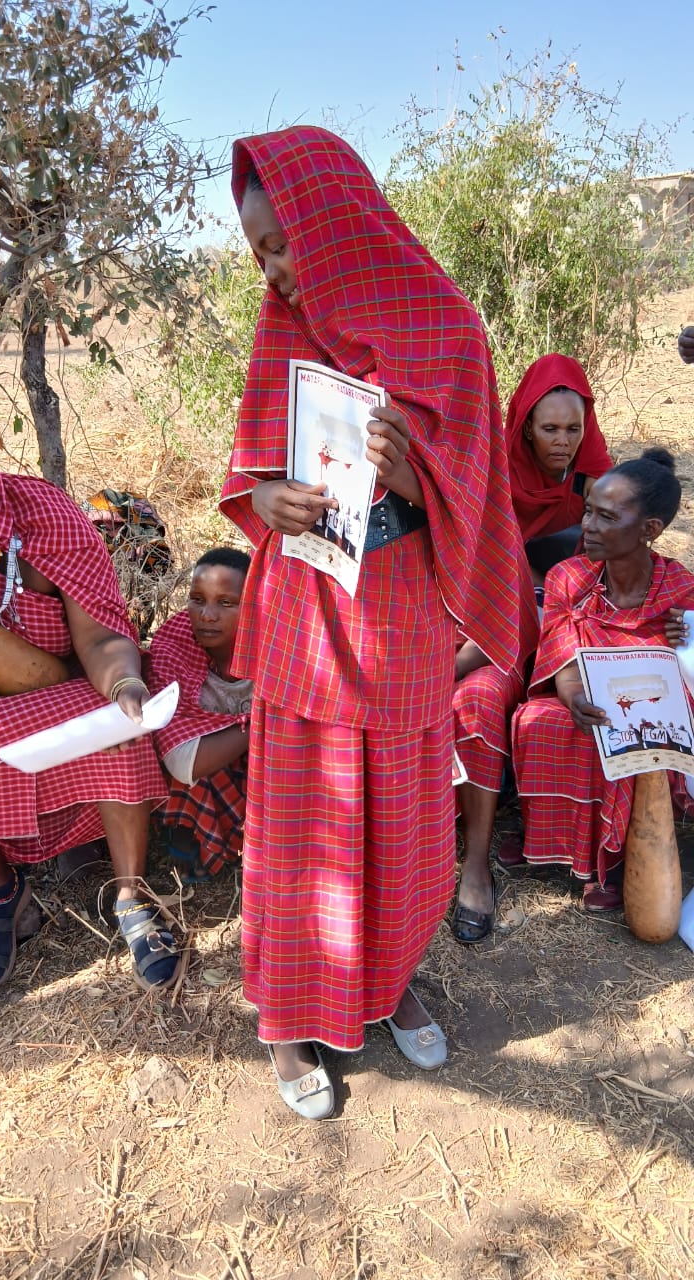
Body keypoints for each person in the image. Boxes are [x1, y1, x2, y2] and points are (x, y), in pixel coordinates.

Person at [219, 125, 524, 1120]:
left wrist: (413, 475)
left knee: (399, 823)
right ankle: (286, 1018)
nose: (274, 272)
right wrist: (267, 501)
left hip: (398, 624)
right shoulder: (283, 328)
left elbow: (481, 496)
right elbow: (250, 466)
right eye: (259, 252)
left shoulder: (450, 333)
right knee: (301, 830)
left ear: (336, 224)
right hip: (304, 614)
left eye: (283, 245)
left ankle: (388, 983)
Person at [0, 432, 180, 991]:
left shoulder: (42, 515)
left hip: (69, 689)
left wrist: (125, 684)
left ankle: (132, 893)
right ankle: (0, 890)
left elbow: (101, 638)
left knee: (117, 720)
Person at [510, 448, 694, 912]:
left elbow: (684, 677)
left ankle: (611, 858)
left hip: (650, 710)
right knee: (539, 719)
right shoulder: (568, 578)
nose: (588, 526)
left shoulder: (680, 591)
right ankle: (543, 839)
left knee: (629, 735)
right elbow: (562, 655)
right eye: (589, 510)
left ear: (649, 529)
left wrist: (685, 639)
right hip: (583, 694)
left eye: (606, 517)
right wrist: (573, 695)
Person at [145, 547, 251, 880]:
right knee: (189, 760)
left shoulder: (278, 647)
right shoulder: (174, 647)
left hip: (264, 767)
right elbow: (180, 758)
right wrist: (258, 724)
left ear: (256, 605)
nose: (207, 615)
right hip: (209, 767)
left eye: (226, 603)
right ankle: (190, 840)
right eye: (197, 600)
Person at [451, 550, 539, 943]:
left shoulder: (486, 531)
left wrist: (439, 670)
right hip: (403, 653)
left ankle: (475, 865)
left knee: (478, 700)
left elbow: (503, 629)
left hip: (484, 656)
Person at [505, 354, 612, 602]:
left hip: (577, 587)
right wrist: (544, 590)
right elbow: (488, 547)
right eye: (550, 429)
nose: (563, 442)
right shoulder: (499, 469)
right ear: (528, 428)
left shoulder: (591, 473)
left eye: (573, 429)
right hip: (511, 582)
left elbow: (614, 544)